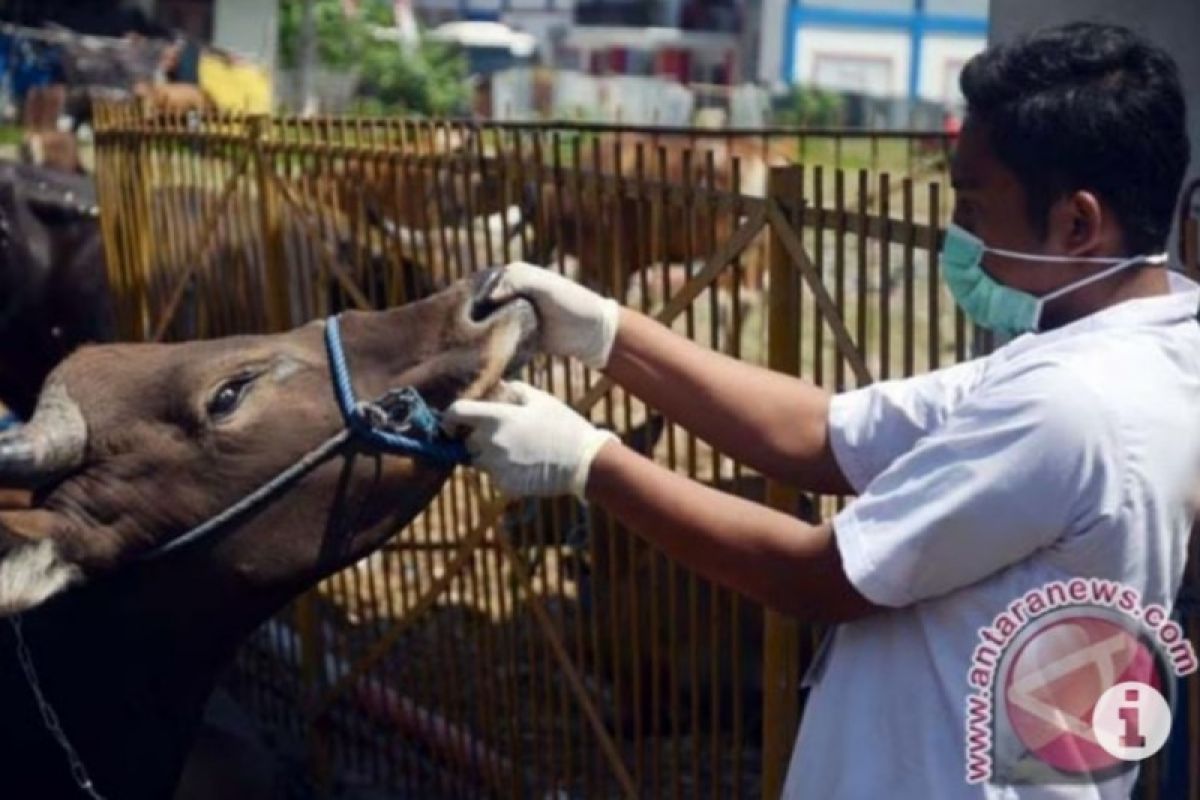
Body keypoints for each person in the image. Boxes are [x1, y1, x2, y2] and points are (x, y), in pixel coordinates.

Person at [444, 22, 1198, 798]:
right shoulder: (1132, 350)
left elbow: (814, 576)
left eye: (973, 204)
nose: (960, 234)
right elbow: (820, 434)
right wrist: (606, 331)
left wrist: (587, 462)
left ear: (1076, 224)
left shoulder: (1072, 405)